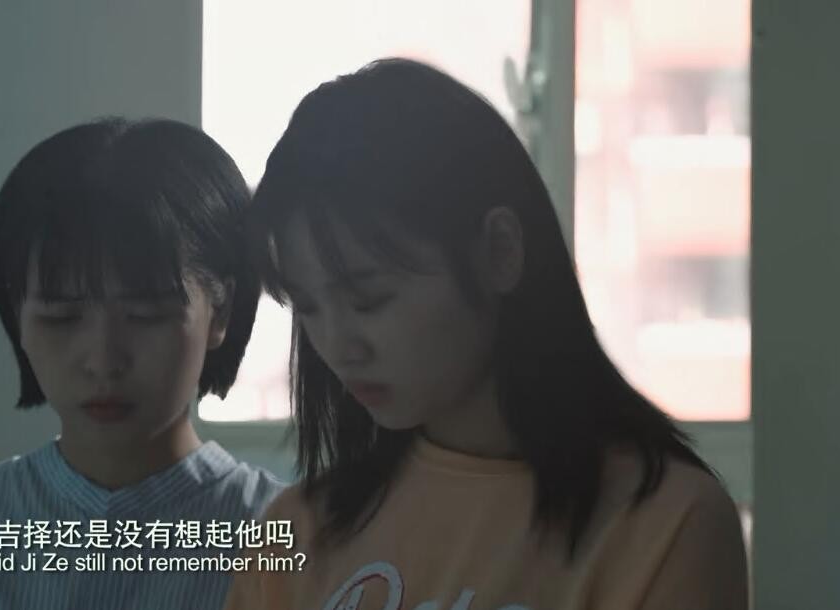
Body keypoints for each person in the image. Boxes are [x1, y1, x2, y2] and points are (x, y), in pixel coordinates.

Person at [222, 59, 749, 610]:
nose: (337, 346)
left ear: (499, 251)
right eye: (307, 307)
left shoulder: (664, 523)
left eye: (369, 298)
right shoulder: (296, 530)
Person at [0, 117, 286, 610]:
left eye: (145, 316)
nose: (103, 360)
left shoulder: (291, 542)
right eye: (61, 318)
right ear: (18, 315)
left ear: (220, 312)